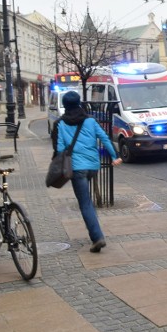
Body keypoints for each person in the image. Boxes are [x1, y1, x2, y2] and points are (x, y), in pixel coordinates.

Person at [51, 90, 122, 252]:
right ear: (79, 103)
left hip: (76, 168)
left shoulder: (60, 124)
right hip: (93, 166)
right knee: (87, 199)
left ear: (65, 105)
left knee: (85, 203)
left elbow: (60, 148)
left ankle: (97, 237)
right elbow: (104, 138)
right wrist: (114, 156)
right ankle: (96, 232)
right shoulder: (90, 121)